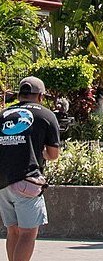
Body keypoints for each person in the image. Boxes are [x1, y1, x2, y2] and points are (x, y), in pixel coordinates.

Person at [0, 77, 62, 261]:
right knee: (27, 234)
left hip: (2, 183)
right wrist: (40, 153)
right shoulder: (46, 115)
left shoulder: (3, 114)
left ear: (19, 95)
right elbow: (53, 154)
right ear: (41, 96)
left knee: (13, 232)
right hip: (27, 182)